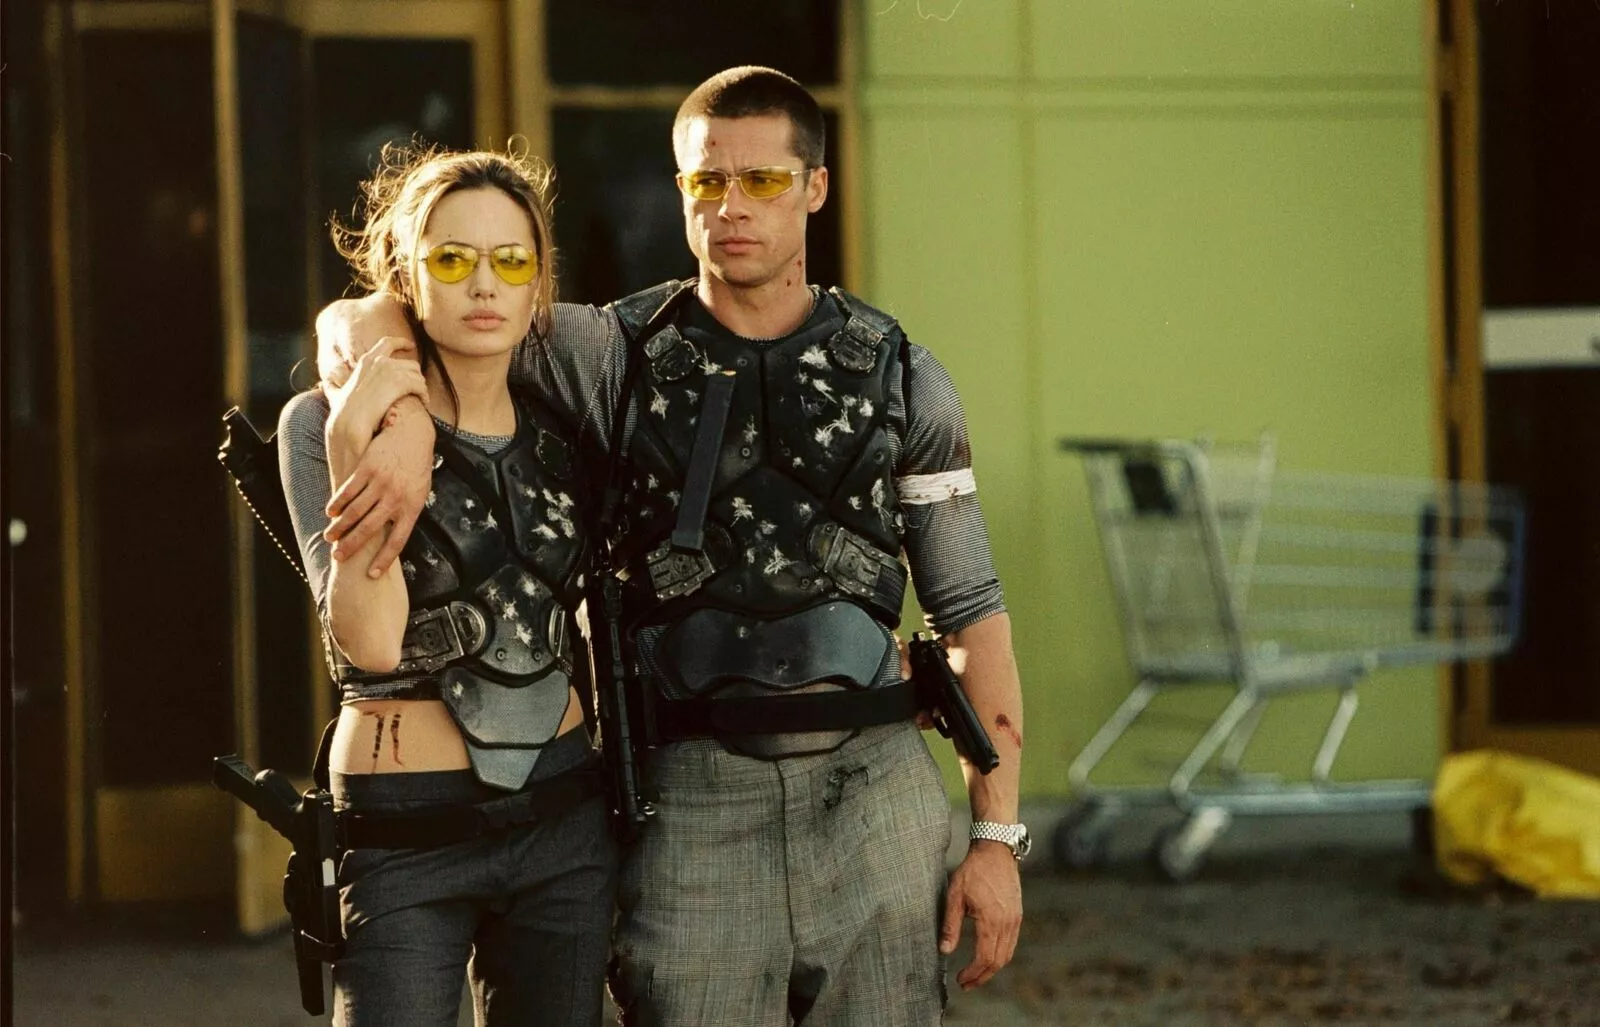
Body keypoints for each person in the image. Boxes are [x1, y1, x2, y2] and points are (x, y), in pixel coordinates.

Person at [317, 67, 1025, 1026]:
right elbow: (393, 304)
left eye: (762, 181)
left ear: (816, 187)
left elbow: (970, 608)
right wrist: (397, 401)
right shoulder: (606, 351)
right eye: (706, 181)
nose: (732, 206)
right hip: (692, 793)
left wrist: (996, 836)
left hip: (874, 789)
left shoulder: (902, 372)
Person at [278, 145, 616, 1027]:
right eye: (453, 259)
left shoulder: (566, 423)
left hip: (562, 822)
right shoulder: (319, 423)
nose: (485, 285)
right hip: (404, 831)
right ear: (406, 272)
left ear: (540, 281)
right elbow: (370, 642)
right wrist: (366, 442)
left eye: (512, 261)